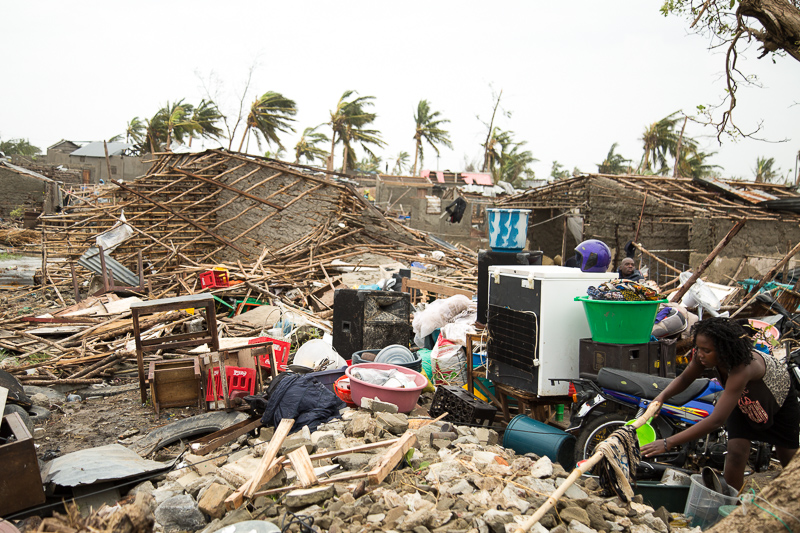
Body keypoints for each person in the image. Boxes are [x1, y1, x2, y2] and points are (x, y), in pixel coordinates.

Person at [641, 317, 799, 489]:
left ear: (724, 350)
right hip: (743, 402)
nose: (700, 354)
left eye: (706, 350)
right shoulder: (703, 357)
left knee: (789, 461)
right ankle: (730, 503)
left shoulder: (744, 368)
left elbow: (716, 420)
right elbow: (685, 378)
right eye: (698, 348)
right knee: (736, 453)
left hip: (777, 403)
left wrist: (667, 443)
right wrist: (661, 397)